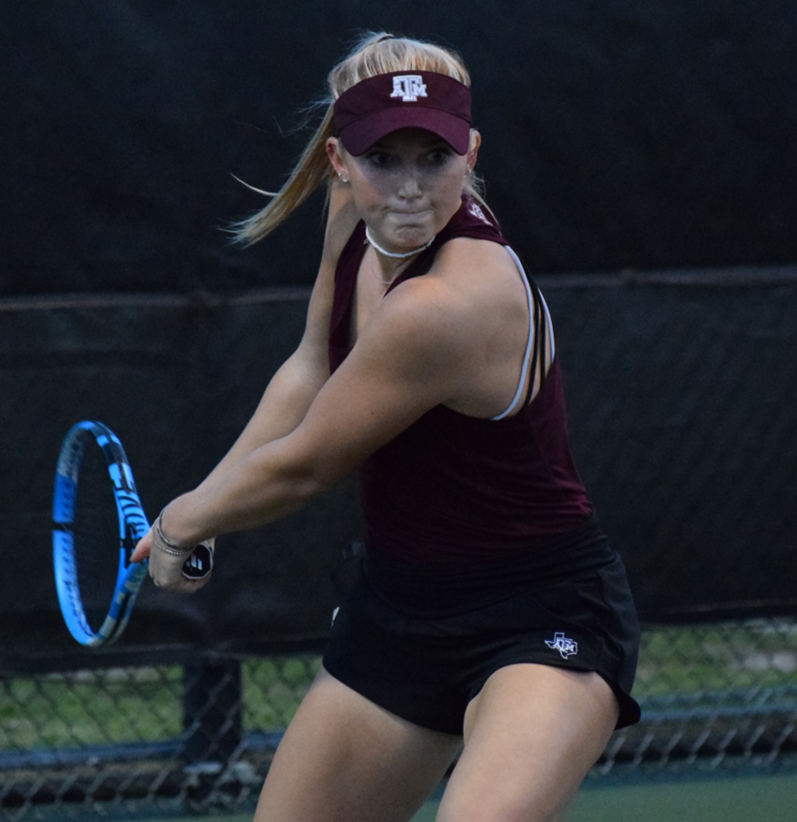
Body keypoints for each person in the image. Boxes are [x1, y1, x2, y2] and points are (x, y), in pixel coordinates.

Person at [130, 31, 641, 822]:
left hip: (542, 616)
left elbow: (308, 465)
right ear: (341, 162)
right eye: (383, 160)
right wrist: (208, 505)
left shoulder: (445, 307)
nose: (408, 189)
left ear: (470, 154)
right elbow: (310, 368)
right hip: (399, 612)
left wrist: (182, 523)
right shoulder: (351, 220)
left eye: (433, 160)